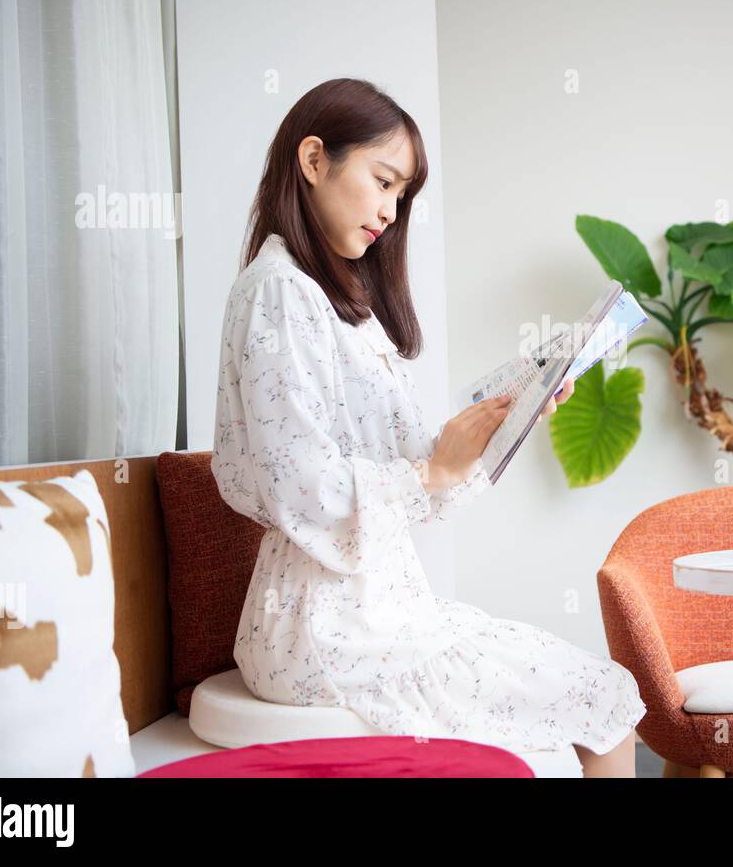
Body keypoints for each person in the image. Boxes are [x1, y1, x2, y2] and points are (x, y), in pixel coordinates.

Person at [209, 78, 646, 777]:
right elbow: (300, 489)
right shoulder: (277, 293)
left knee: (601, 693)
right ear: (314, 159)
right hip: (320, 628)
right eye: (383, 182)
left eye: (401, 196)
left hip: (378, 611)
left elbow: (424, 474)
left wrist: (510, 417)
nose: (388, 211)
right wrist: (429, 472)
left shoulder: (342, 309)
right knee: (601, 693)